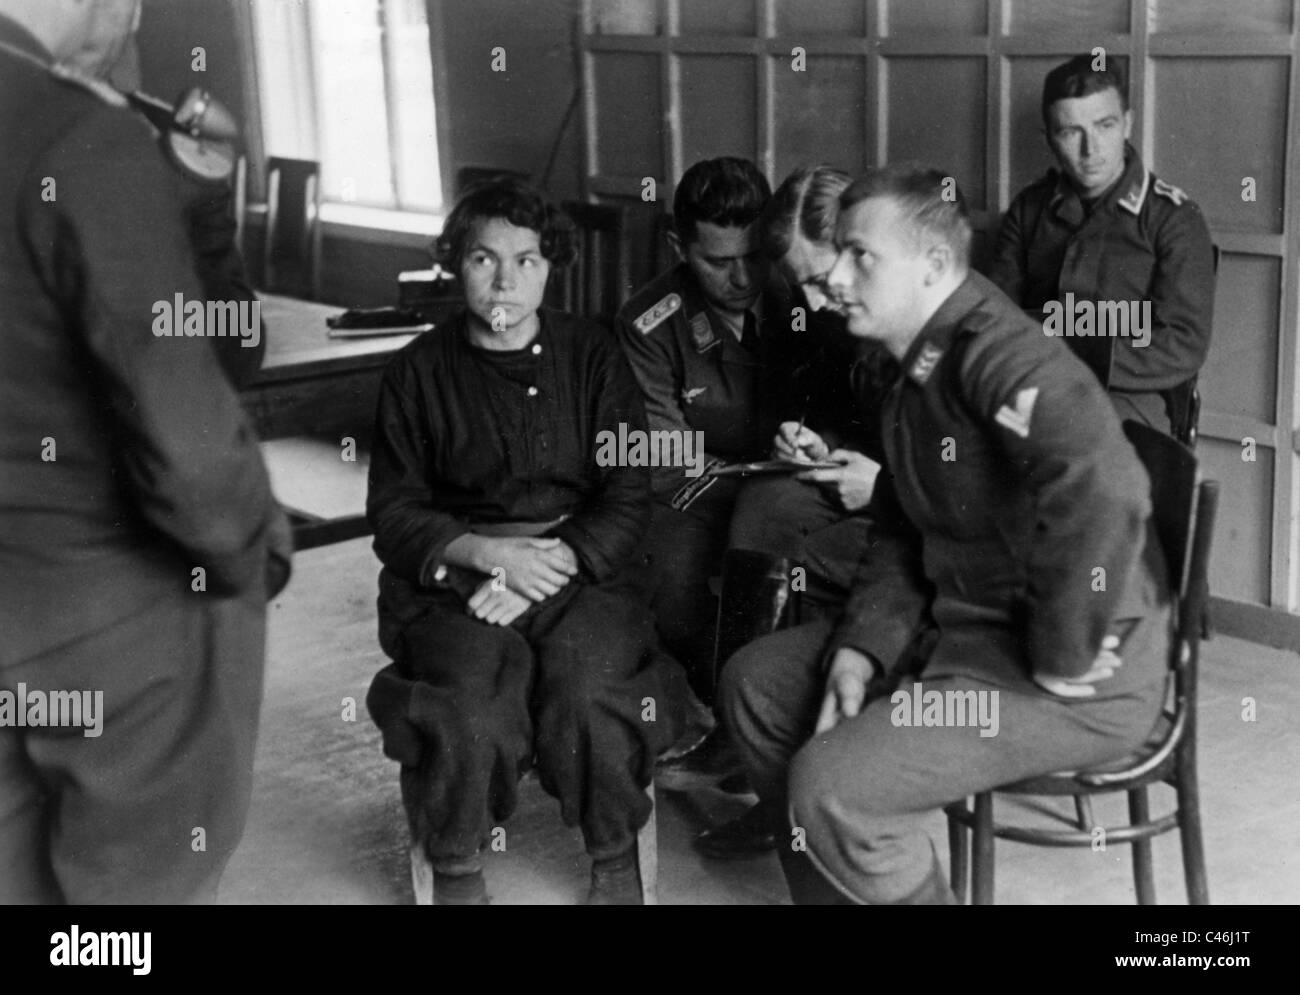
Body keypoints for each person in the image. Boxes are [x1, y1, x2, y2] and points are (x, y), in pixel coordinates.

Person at [722, 163, 1171, 904]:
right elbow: (905, 527)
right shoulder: (916, 360)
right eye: (836, 253)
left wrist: (1063, 650)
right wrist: (861, 651)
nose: (833, 276)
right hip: (966, 629)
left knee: (834, 787)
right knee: (756, 687)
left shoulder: (998, 353)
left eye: (859, 254)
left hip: (1072, 675)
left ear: (932, 265)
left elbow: (1107, 487)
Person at [0, 0, 291, 903]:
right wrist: (255, 550)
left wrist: (193, 203)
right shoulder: (82, 139)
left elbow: (224, 335)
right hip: (113, 624)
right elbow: (193, 449)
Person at [364, 178, 685, 905]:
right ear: (455, 263)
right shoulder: (417, 371)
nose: (505, 279)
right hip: (456, 580)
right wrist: (487, 558)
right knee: (468, 699)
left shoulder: (594, 356)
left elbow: (628, 488)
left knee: (592, 685)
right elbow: (393, 510)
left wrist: (555, 563)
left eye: (527, 260)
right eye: (484, 259)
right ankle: (456, 862)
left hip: (581, 568)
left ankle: (613, 854)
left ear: (552, 266)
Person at [695, 164, 893, 860]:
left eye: (821, 277)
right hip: (881, 490)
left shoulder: (928, 322)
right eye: (803, 284)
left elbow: (977, 481)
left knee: (809, 560)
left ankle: (803, 779)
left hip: (932, 530)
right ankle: (754, 749)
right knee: (765, 506)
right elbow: (870, 425)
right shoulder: (855, 313)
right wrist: (821, 444)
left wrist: (884, 484)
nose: (817, 298)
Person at [616, 157, 833, 702]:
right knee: (670, 580)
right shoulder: (650, 321)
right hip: (699, 493)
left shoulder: (811, 292)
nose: (742, 278)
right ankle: (729, 710)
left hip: (807, 479)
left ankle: (786, 709)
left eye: (755, 256)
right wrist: (757, 491)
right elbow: (665, 457)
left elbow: (843, 407)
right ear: (677, 246)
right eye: (718, 262)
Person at [989, 54, 1215, 439]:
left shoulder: (1173, 217)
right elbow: (994, 313)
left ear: (1127, 124)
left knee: (1068, 447)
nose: (1090, 149)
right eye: (1070, 132)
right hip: (1031, 381)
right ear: (1049, 138)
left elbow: (1182, 343)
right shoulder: (1030, 209)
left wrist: (1067, 351)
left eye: (1104, 125)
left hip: (1130, 395)